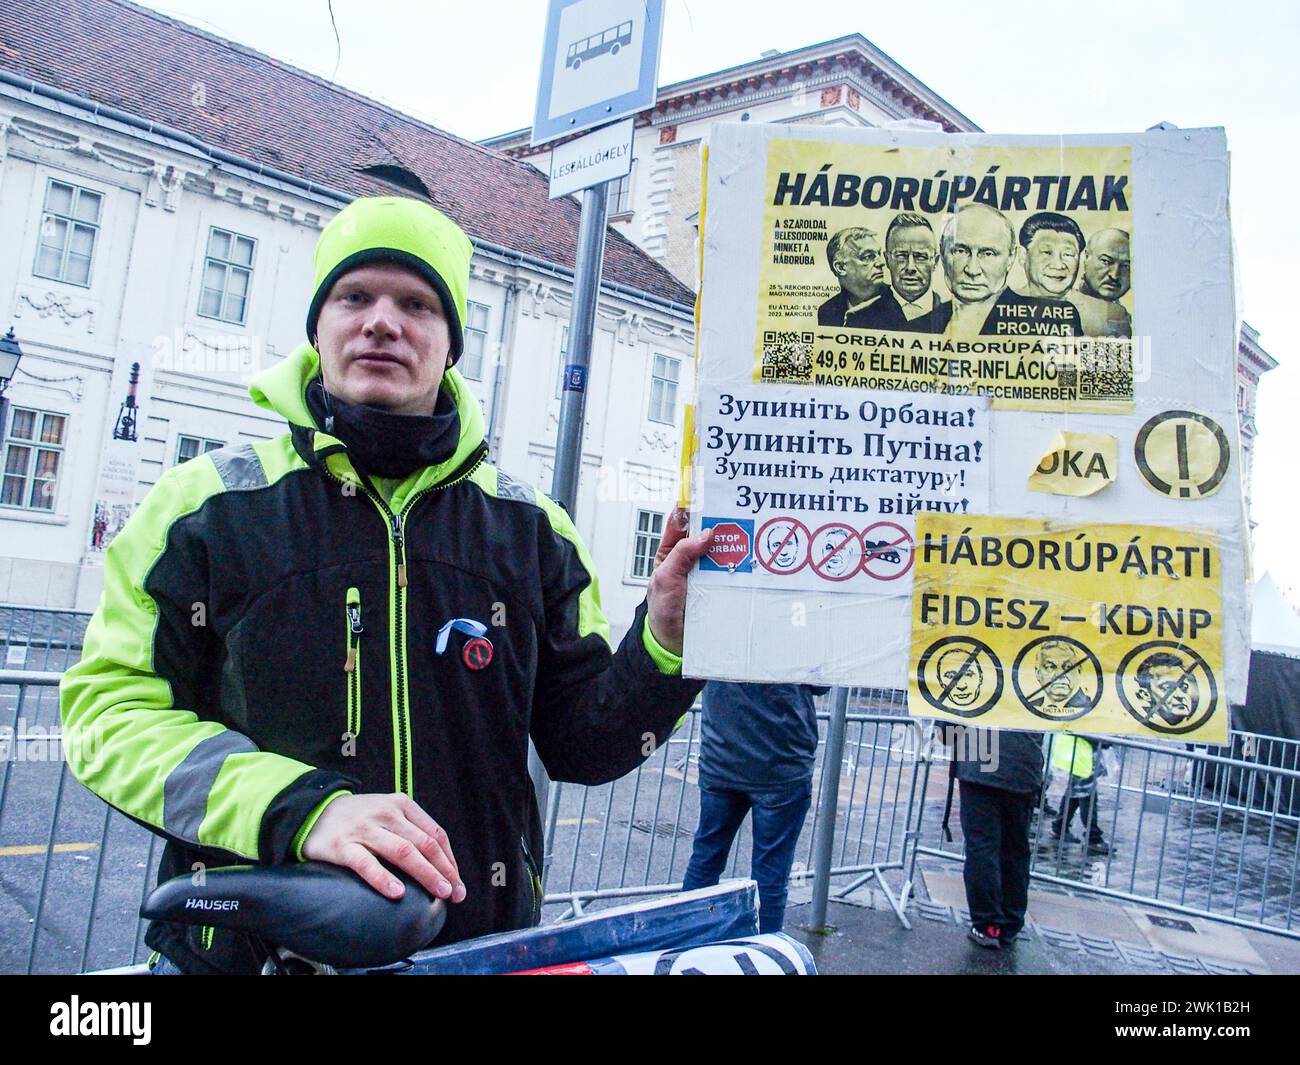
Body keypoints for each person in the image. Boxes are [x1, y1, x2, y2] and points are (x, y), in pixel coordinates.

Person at [59, 195, 713, 974]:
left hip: (474, 952)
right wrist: (301, 811)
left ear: (450, 344)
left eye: (416, 304)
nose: (381, 321)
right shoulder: (204, 509)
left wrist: (666, 640)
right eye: (354, 296)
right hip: (245, 957)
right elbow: (109, 715)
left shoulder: (532, 528)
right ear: (318, 325)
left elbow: (586, 742)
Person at [680, 682, 829, 933]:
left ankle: (686, 942)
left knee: (706, 859)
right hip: (783, 763)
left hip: (721, 757)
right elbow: (819, 683)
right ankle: (762, 954)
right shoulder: (802, 640)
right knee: (770, 877)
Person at [932, 204, 1082, 339]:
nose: (972, 270)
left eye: (988, 253)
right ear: (942, 253)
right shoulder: (918, 326)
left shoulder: (1053, 318)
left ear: (1011, 258)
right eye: (960, 251)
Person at [954, 726, 1045, 949]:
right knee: (1016, 849)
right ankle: (1010, 924)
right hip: (1023, 767)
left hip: (979, 762)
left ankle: (988, 925)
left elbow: (948, 730)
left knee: (982, 848)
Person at [817, 227, 908, 330]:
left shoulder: (901, 305)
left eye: (878, 254)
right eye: (868, 256)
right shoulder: (827, 311)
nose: (881, 263)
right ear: (840, 268)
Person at [1050, 734, 1111, 855]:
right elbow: (1086, 731)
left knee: (1075, 793)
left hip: (1078, 754)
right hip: (1082, 755)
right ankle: (1093, 838)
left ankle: (1060, 826)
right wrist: (1103, 740)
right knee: (1086, 797)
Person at [884, 213, 944, 330]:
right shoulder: (860, 318)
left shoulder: (955, 318)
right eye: (901, 255)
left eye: (920, 257)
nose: (910, 267)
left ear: (935, 262)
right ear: (887, 260)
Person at [1072, 228, 1132, 338]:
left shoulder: (1128, 321)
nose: (1114, 276)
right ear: (1086, 257)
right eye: (1106, 261)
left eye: (1126, 266)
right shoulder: (1062, 311)